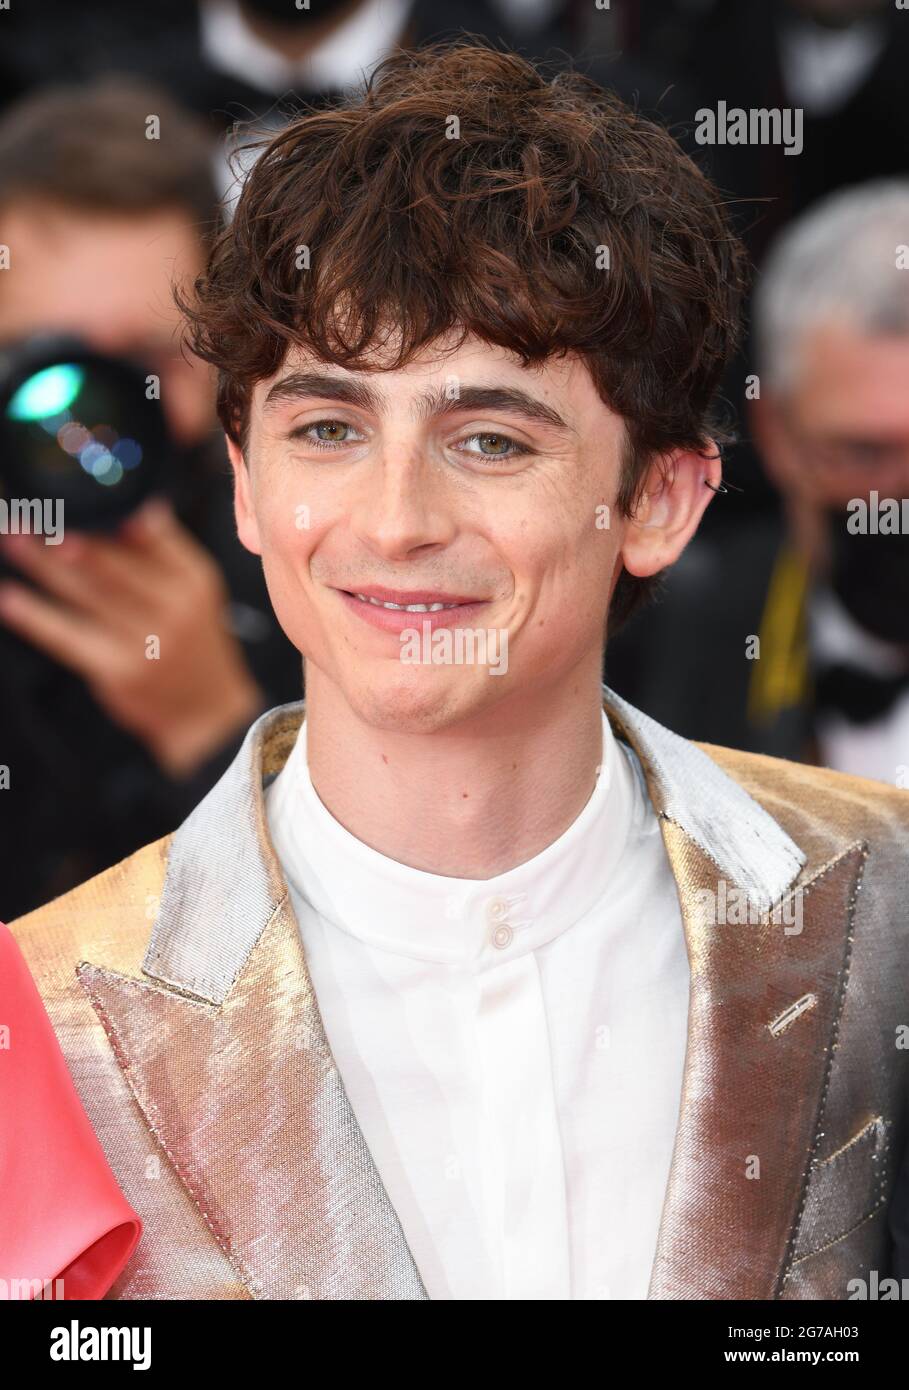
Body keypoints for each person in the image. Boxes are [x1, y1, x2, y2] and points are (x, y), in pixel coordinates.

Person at [6, 41, 909, 1301]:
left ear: (660, 497)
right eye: (326, 429)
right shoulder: (35, 1023)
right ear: (247, 482)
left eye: (488, 439)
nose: (394, 520)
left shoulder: (890, 909)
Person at [0, 79, 304, 920]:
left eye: (144, 366)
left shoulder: (317, 589)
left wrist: (211, 727)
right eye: (39, 367)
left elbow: (343, 993)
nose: (89, 424)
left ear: (227, 361)